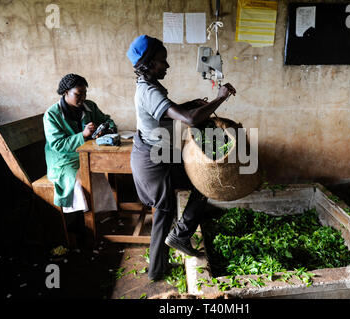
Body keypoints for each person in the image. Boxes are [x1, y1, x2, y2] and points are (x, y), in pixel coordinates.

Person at [126, 35, 236, 281]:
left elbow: (165, 114)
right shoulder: (148, 90)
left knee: (204, 181)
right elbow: (189, 119)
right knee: (163, 215)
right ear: (149, 63)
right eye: (162, 61)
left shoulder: (150, 86)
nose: (167, 65)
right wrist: (220, 96)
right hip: (153, 161)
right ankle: (157, 270)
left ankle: (180, 236)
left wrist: (191, 103)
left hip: (159, 154)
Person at [43, 73, 118, 236]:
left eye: (84, 93)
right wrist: (82, 135)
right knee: (80, 182)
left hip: (86, 156)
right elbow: (57, 145)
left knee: (97, 176)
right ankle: (80, 224)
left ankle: (96, 216)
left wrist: (107, 128)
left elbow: (107, 120)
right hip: (63, 161)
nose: (82, 97)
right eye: (78, 94)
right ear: (65, 92)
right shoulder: (52, 114)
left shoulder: (89, 106)